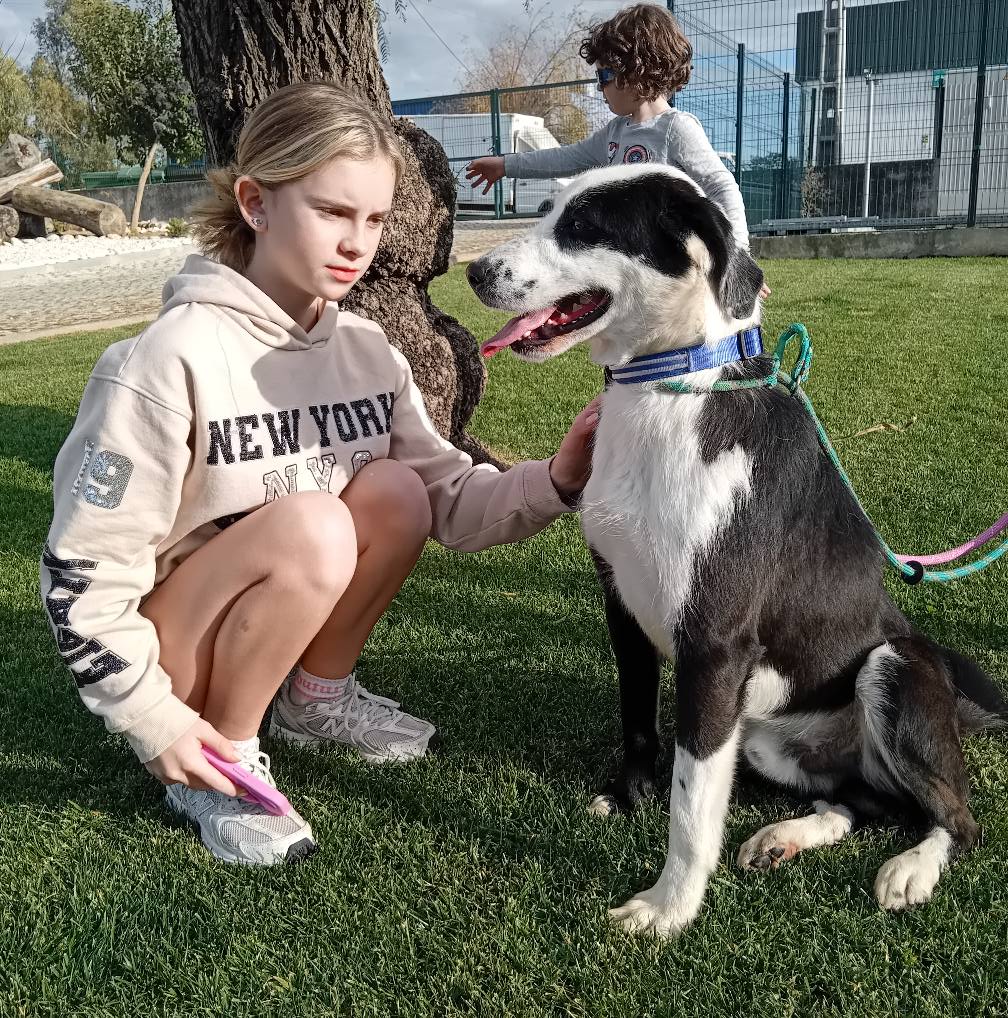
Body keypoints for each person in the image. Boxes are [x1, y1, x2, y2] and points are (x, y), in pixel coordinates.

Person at [41, 82, 598, 867]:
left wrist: (557, 479)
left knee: (397, 491)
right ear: (256, 204)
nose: (356, 243)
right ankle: (223, 760)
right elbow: (80, 578)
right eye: (332, 212)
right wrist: (154, 721)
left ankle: (314, 701)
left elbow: (449, 498)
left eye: (373, 219)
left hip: (271, 611)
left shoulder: (366, 350)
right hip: (177, 659)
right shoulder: (166, 360)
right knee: (315, 524)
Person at [467, 2, 762, 271]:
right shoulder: (615, 133)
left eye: (604, 76)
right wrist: (506, 165)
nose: (599, 88)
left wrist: (738, 258)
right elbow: (565, 157)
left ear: (636, 71)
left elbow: (721, 186)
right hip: (626, 262)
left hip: (665, 265)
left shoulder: (676, 129)